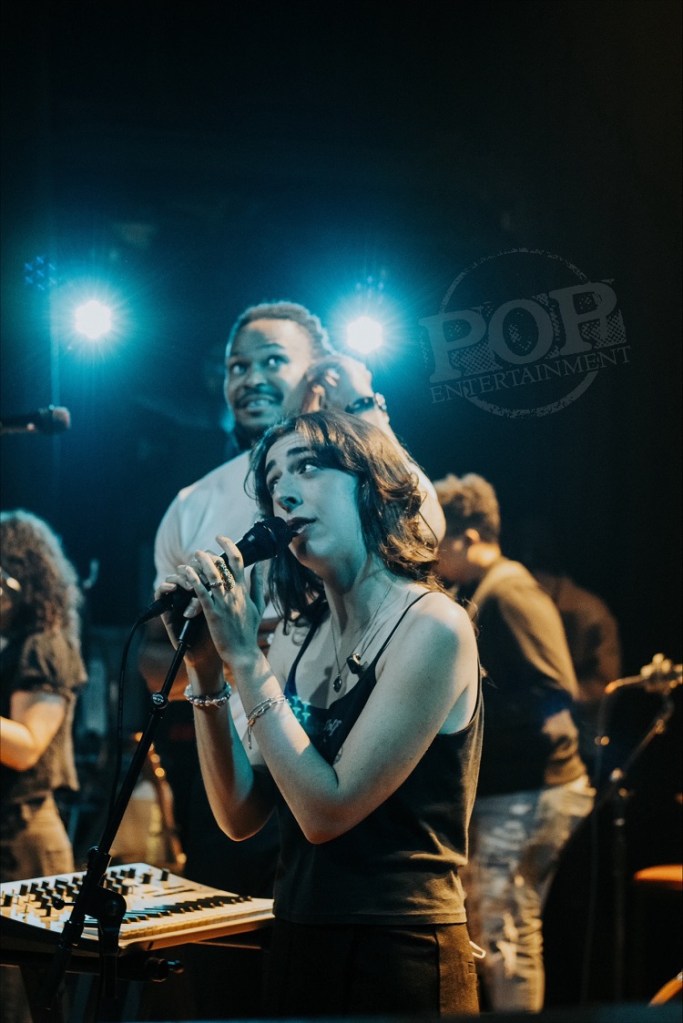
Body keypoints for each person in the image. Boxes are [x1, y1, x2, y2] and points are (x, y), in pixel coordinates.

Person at [154, 410, 482, 1018]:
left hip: (399, 951)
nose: (283, 491)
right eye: (273, 479)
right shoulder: (298, 637)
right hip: (299, 939)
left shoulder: (434, 626)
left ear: (372, 484)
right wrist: (206, 672)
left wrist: (246, 661)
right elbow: (239, 815)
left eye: (307, 466)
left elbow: (327, 813)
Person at [138, 300, 445, 898]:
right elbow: (157, 663)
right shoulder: (193, 503)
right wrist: (209, 664)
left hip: (333, 775)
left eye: (272, 361)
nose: (250, 378)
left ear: (317, 373)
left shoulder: (423, 617)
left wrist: (360, 403)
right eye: (236, 366)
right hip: (235, 763)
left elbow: (420, 526)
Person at [433, 473, 595, 1013]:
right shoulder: (489, 591)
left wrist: (463, 714)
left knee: (508, 937)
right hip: (519, 792)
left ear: (468, 537)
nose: (433, 555)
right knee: (499, 931)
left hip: (530, 792)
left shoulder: (509, 591)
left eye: (439, 542)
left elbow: (557, 691)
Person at [1, 510, 87, 1023]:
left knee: (19, 1004)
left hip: (24, 840)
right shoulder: (10, 644)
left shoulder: (44, 645)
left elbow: (27, 745)